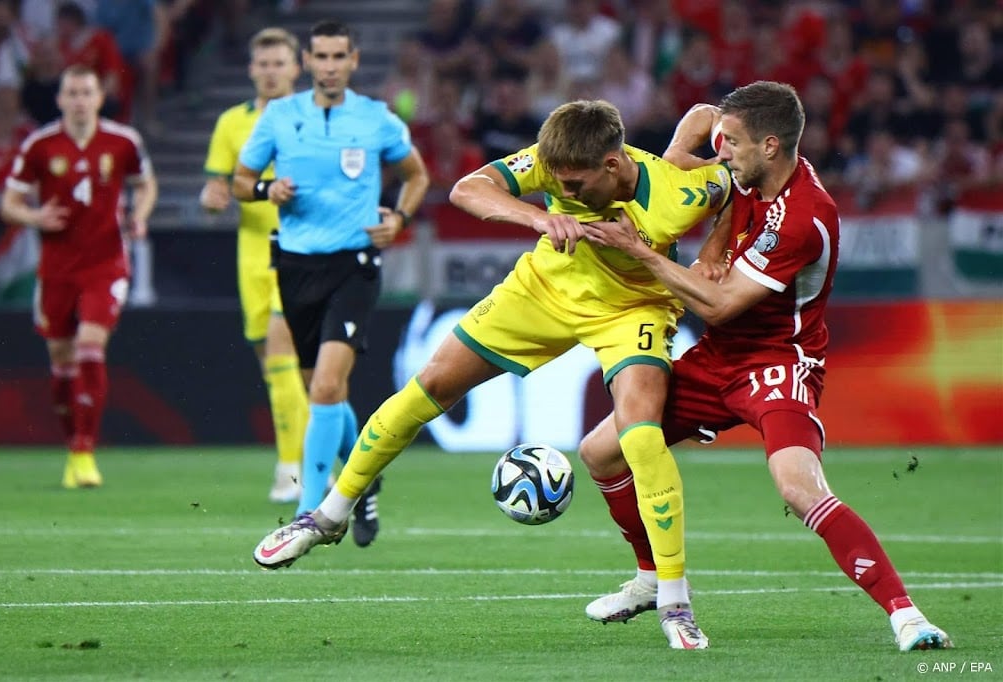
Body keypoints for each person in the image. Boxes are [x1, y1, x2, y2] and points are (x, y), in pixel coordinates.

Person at [252, 98, 734, 651]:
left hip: (633, 311)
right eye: (560, 184)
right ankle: (327, 516)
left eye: (575, 185)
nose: (566, 193)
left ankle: (674, 599)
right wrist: (537, 215)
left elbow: (738, 181)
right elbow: (467, 188)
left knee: (640, 434)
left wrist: (716, 243)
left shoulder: (679, 195)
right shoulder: (558, 163)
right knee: (430, 385)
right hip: (541, 291)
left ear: (612, 162)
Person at [579, 80, 953, 651]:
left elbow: (722, 301)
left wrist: (640, 251)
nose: (719, 153)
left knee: (798, 487)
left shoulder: (805, 215)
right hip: (716, 358)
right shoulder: (743, 166)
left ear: (771, 146)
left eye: (730, 144)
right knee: (600, 451)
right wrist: (712, 230)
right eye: (722, 142)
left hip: (777, 361)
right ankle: (651, 578)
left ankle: (908, 616)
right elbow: (701, 118)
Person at [232, 20, 430, 547]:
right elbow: (239, 182)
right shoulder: (280, 116)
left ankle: (309, 511)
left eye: (338, 55)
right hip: (296, 267)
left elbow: (417, 175)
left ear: (354, 59)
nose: (329, 65)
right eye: (320, 56)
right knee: (320, 391)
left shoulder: (374, 119)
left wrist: (399, 221)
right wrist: (268, 188)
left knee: (324, 386)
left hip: (355, 265)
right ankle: (362, 482)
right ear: (309, 61)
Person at [0, 64, 157, 488]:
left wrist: (139, 217)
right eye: (73, 93)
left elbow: (146, 184)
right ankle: (73, 446)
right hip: (56, 269)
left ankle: (86, 450)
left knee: (90, 347)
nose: (80, 100)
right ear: (60, 99)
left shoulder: (123, 141)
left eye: (87, 92)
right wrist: (35, 215)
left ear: (99, 97)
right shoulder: (40, 145)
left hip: (106, 264)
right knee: (61, 364)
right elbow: (9, 203)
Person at [199, 27, 309, 504]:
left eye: (278, 63)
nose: (270, 71)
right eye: (262, 64)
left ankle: (292, 470)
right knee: (276, 368)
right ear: (251, 70)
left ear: (295, 67)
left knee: (285, 352)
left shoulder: (312, 119)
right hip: (250, 253)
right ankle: (321, 455)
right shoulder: (231, 123)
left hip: (300, 249)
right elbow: (215, 190)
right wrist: (211, 198)